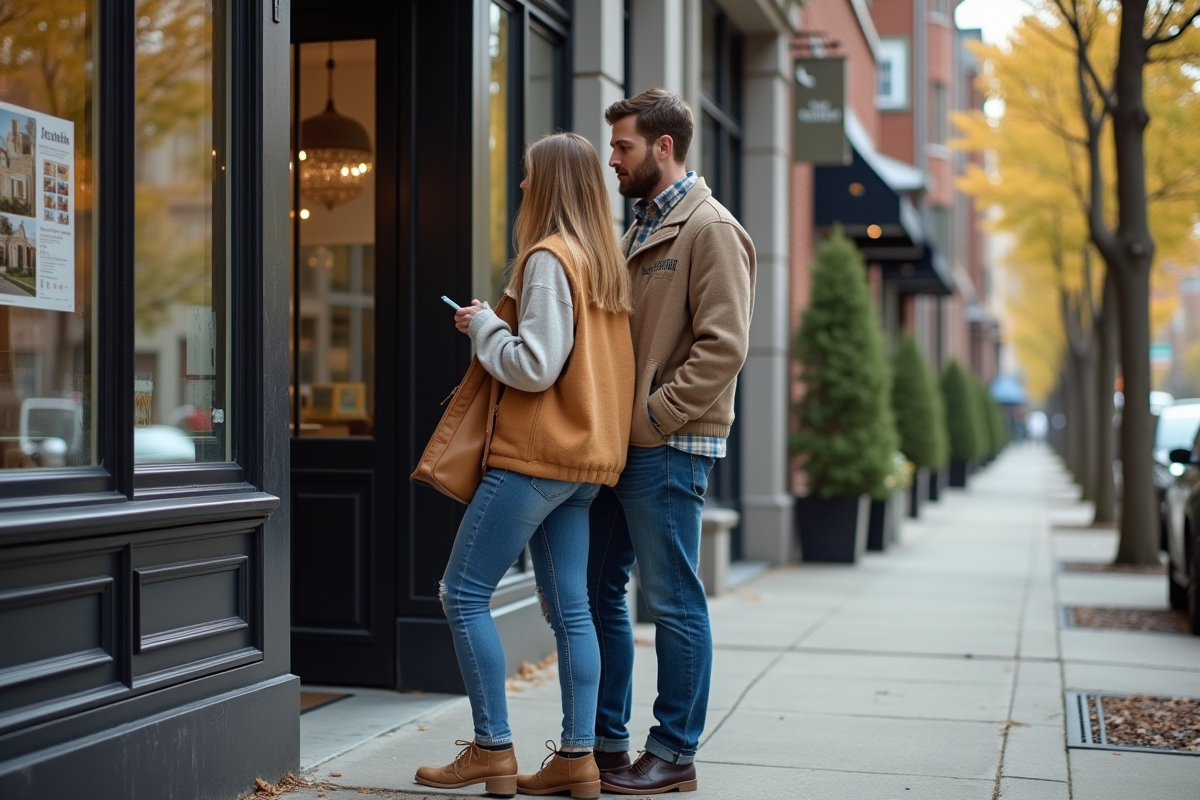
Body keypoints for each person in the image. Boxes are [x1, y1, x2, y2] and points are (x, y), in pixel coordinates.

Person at [414, 132, 634, 799]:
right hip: (583, 464)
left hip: (535, 457)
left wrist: (483, 327)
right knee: (573, 610)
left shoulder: (547, 260)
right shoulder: (602, 263)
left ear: (552, 185)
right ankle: (577, 756)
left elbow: (534, 366)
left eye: (528, 174)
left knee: (463, 592)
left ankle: (492, 747)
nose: (520, 186)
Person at [587, 88, 756, 794]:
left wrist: (654, 418)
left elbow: (724, 348)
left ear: (663, 147)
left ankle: (674, 751)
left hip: (668, 447)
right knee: (596, 587)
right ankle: (602, 741)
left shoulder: (708, 228)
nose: (612, 159)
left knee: (673, 599)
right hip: (622, 447)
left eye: (623, 146)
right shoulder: (639, 228)